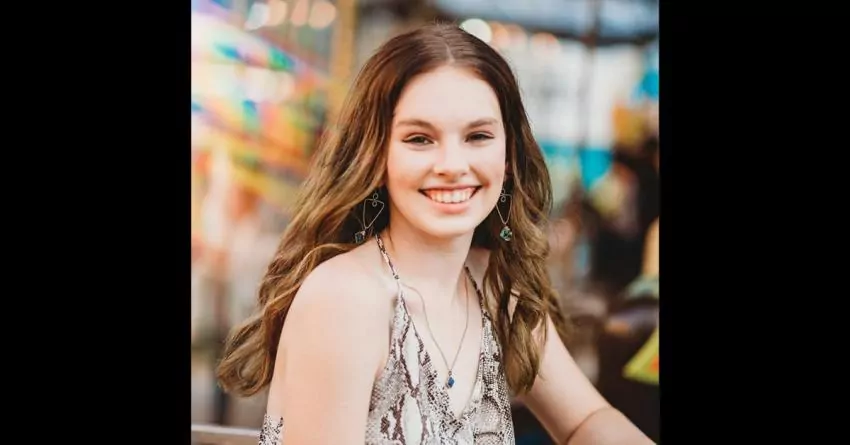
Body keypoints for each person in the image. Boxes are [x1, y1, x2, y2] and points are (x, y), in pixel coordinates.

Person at [215, 23, 655, 444]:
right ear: (377, 157)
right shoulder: (344, 299)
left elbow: (587, 422)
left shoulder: (496, 287)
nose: (452, 165)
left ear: (508, 156)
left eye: (477, 136)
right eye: (419, 139)